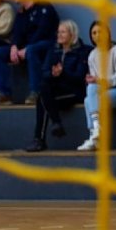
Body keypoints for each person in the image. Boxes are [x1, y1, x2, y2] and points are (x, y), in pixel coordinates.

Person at [24, 19, 90, 152]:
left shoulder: (82, 51)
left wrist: (62, 74)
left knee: (42, 99)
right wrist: (54, 75)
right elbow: (45, 72)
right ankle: (53, 126)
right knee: (43, 91)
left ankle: (41, 138)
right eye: (58, 32)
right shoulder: (54, 50)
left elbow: (79, 78)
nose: (59, 35)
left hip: (75, 91)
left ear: (72, 34)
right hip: (56, 91)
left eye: (63, 32)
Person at [0, 0, 59, 105]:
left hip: (46, 44)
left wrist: (27, 48)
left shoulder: (44, 7)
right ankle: (4, 93)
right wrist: (14, 47)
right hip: (25, 47)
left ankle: (36, 92)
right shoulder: (21, 13)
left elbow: (43, 32)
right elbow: (16, 34)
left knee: (32, 50)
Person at [77, 21, 116, 151]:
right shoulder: (92, 55)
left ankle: (94, 132)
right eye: (94, 33)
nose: (97, 35)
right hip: (100, 93)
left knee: (90, 96)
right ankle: (95, 134)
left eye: (100, 32)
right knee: (88, 97)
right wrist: (92, 80)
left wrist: (99, 80)